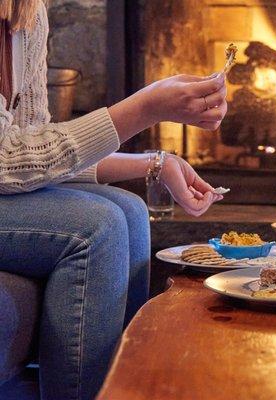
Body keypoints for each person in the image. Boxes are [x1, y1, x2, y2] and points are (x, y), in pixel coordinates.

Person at [0, 1, 227, 399]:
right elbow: (6, 161)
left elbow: (32, 147)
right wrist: (145, 108)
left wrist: (154, 162)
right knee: (97, 227)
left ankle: (123, 388)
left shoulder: (27, 9)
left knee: (130, 209)